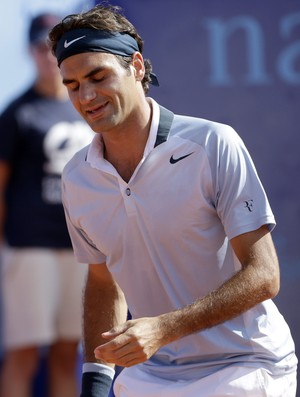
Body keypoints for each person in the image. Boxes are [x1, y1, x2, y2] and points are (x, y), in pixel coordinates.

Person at [48, 3, 297, 397]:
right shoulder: (77, 177)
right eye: (73, 85)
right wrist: (96, 381)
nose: (87, 96)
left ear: (137, 67)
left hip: (246, 365)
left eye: (98, 76)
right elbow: (102, 278)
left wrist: (163, 328)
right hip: (151, 374)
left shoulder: (213, 143)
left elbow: (264, 275)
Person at [0, 13, 94, 397]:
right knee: (23, 353)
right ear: (29, 51)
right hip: (30, 248)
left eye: (53, 48)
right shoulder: (17, 113)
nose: (47, 55)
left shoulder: (86, 106)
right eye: (40, 47)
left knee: (67, 352)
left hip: (82, 248)